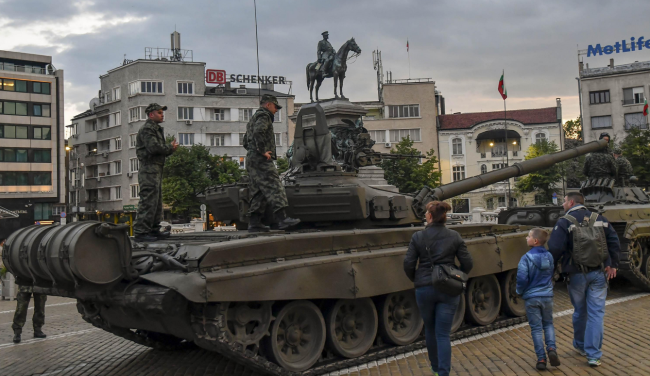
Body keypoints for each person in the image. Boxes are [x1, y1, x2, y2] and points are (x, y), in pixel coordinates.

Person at [547, 192, 620, 367]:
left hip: (576, 273)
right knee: (596, 313)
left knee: (580, 311)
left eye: (564, 202)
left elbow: (555, 249)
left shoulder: (565, 221)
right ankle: (593, 355)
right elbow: (614, 241)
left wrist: (551, 273)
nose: (563, 205)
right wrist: (613, 264)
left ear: (571, 202)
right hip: (599, 272)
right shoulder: (600, 218)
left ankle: (580, 345)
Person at [403, 201, 473, 376]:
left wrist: (417, 278)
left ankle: (434, 368)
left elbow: (408, 263)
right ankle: (443, 372)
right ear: (445, 217)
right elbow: (468, 263)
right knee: (443, 334)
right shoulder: (454, 236)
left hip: (424, 288)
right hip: (448, 288)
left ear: (429, 216)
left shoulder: (418, 237)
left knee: (430, 329)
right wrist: (457, 276)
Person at [243, 94, 300, 232]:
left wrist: (253, 151)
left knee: (259, 191)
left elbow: (245, 141)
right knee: (275, 185)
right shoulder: (264, 116)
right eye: (275, 106)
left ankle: (254, 222)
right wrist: (262, 151)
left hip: (251, 158)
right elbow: (258, 132)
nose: (276, 110)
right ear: (268, 104)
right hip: (261, 159)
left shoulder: (253, 118)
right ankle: (282, 219)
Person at [133, 103, 179, 242]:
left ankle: (153, 229)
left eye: (162, 112)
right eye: (159, 112)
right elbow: (154, 148)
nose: (162, 114)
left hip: (155, 168)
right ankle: (141, 232)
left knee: (156, 201)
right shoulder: (148, 129)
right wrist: (169, 148)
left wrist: (168, 149)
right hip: (149, 168)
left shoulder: (155, 129)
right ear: (151, 114)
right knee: (148, 200)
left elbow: (158, 150)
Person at [516, 228, 560, 370]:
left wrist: (519, 291)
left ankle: (541, 359)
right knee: (548, 324)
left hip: (532, 297)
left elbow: (522, 279)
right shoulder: (549, 256)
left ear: (535, 241)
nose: (526, 238)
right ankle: (552, 349)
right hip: (547, 296)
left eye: (528, 236)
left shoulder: (526, 258)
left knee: (536, 329)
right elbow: (551, 273)